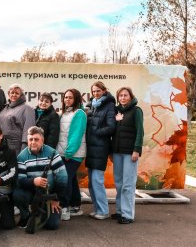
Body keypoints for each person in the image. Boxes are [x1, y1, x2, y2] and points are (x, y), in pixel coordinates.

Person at [13, 126, 67, 230]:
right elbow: (19, 180)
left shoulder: (52, 153)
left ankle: (43, 211)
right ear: (27, 140)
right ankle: (25, 215)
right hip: (30, 191)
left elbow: (63, 178)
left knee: (52, 225)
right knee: (17, 194)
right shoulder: (21, 157)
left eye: (36, 139)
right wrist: (34, 181)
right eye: (30, 139)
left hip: (48, 194)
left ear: (42, 140)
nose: (33, 142)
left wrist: (55, 198)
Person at [111, 87, 144, 224]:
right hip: (117, 152)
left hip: (130, 153)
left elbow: (139, 132)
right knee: (119, 184)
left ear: (131, 96)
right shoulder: (117, 111)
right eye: (120, 95)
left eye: (125, 95)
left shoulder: (136, 111)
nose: (123, 98)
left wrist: (136, 150)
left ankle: (128, 215)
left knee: (128, 185)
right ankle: (120, 211)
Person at [85, 81, 116, 220]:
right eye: (93, 91)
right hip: (90, 147)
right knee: (91, 181)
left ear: (104, 91)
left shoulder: (109, 106)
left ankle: (103, 210)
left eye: (98, 91)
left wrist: (96, 132)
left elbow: (111, 127)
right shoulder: (91, 105)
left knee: (97, 180)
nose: (96, 93)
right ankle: (97, 208)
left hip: (101, 147)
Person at [56, 89, 87, 221]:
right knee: (72, 179)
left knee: (65, 179)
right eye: (66, 97)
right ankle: (75, 206)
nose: (67, 100)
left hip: (73, 154)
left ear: (76, 99)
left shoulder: (79, 113)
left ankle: (64, 207)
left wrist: (69, 152)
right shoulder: (64, 113)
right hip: (63, 152)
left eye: (70, 98)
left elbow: (76, 134)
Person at [0, 83, 35, 155]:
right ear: (9, 94)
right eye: (12, 93)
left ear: (21, 95)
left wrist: (24, 148)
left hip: (17, 147)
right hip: (3, 146)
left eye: (17, 93)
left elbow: (29, 130)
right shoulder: (5, 108)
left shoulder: (27, 108)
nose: (14, 95)